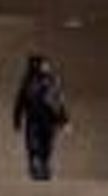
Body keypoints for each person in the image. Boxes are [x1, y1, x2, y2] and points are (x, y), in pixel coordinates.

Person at [11, 52, 68, 180]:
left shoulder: (52, 81)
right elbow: (20, 101)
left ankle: (44, 167)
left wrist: (64, 120)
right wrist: (17, 120)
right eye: (44, 64)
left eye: (46, 64)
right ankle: (35, 167)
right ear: (36, 65)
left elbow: (59, 101)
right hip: (34, 120)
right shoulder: (27, 82)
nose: (47, 66)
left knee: (47, 146)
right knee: (33, 145)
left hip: (49, 120)